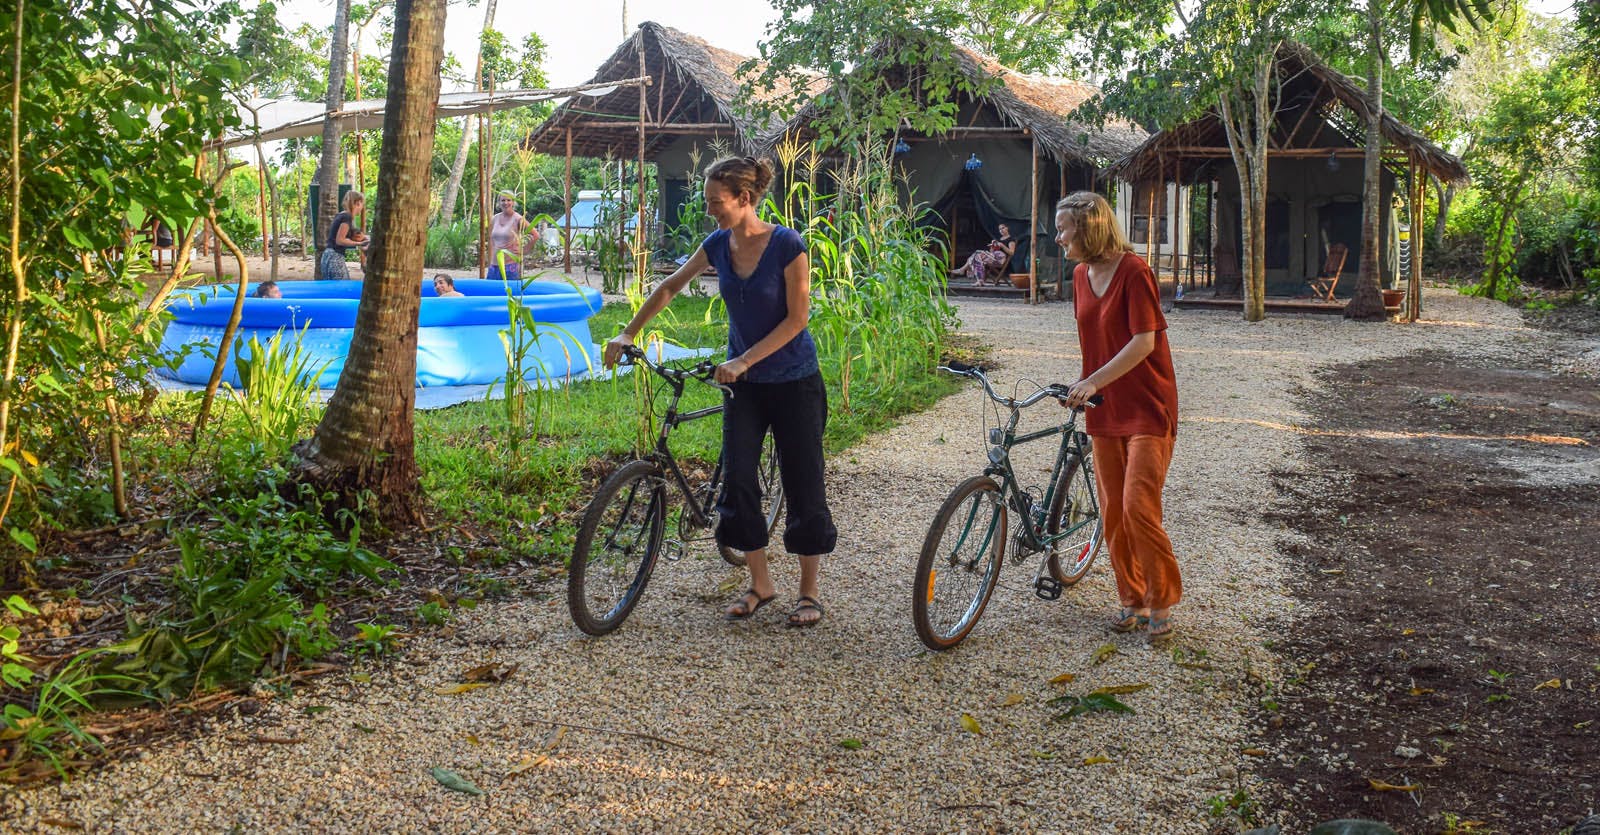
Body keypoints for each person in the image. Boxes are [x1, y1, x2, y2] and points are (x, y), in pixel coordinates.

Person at [602, 156, 836, 628]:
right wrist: (627, 333)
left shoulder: (788, 245)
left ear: (744, 199)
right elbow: (669, 288)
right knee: (739, 482)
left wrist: (744, 360)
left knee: (803, 481)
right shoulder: (717, 244)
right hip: (743, 387)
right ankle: (760, 583)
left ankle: (809, 592)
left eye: (716, 202)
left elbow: (798, 319)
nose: (710, 210)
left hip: (793, 382)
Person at [1055, 191, 1181, 640]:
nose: (1058, 237)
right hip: (1105, 408)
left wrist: (1094, 381)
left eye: (1064, 228)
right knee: (1111, 511)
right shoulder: (1079, 275)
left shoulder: (1134, 272)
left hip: (1148, 406)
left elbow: (1143, 341)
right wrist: (1083, 385)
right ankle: (1131, 599)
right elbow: (1096, 342)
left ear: (1088, 229)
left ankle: (1160, 598)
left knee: (1137, 506)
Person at [319, 190, 368, 281]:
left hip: (328, 256)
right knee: (343, 287)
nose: (362, 208)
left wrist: (364, 240)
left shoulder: (341, 215)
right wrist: (359, 244)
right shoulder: (347, 217)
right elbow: (340, 240)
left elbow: (354, 235)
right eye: (362, 204)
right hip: (335, 257)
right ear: (357, 203)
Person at [952, 223, 1016, 285]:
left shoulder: (1011, 240)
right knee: (976, 257)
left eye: (1003, 228)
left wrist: (1002, 245)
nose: (1001, 230)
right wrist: (993, 247)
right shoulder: (999, 239)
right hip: (993, 257)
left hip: (1000, 260)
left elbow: (1012, 253)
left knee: (977, 253)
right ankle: (980, 281)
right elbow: (992, 252)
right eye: (1000, 229)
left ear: (1007, 228)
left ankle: (962, 270)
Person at [487, 194, 527, 282]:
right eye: (503, 200)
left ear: (513, 202)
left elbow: (535, 235)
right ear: (499, 203)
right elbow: (491, 239)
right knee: (491, 293)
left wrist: (524, 251)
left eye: (509, 200)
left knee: (511, 293)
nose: (506, 203)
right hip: (494, 266)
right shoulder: (494, 218)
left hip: (510, 266)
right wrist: (490, 260)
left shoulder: (518, 219)